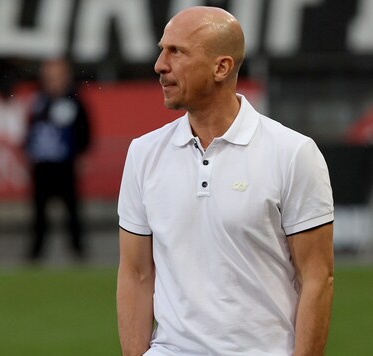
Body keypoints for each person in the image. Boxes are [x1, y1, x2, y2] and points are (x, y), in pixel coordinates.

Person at [116, 6, 334, 356]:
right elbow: (135, 273)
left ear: (222, 67)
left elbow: (317, 279)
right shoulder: (143, 153)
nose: (160, 64)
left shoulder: (293, 153)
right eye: (162, 49)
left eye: (177, 52)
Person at [24, 58, 92, 262]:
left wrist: (80, 153)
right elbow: (30, 131)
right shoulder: (38, 102)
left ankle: (78, 251)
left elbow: (86, 131)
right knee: (39, 212)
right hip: (42, 165)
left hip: (65, 165)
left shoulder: (75, 101)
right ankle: (36, 253)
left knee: (72, 211)